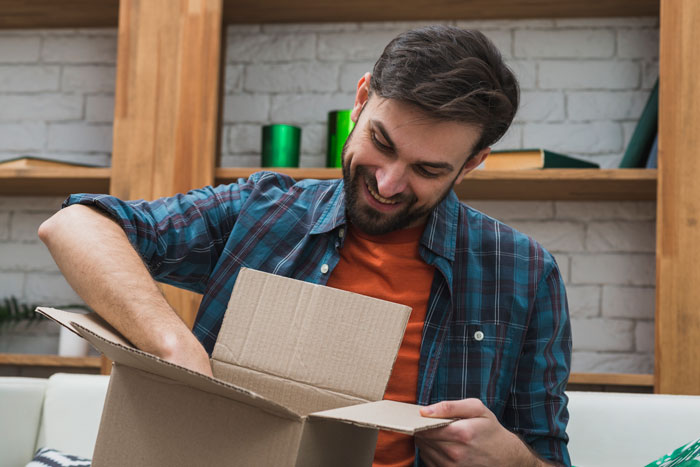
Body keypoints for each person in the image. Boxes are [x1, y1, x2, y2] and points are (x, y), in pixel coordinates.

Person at [39, 26, 571, 467]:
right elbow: (75, 225)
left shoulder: (523, 273)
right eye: (381, 143)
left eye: (428, 170)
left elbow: (547, 456)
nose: (387, 184)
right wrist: (176, 352)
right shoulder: (262, 210)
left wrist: (514, 459)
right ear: (362, 99)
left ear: (473, 163)